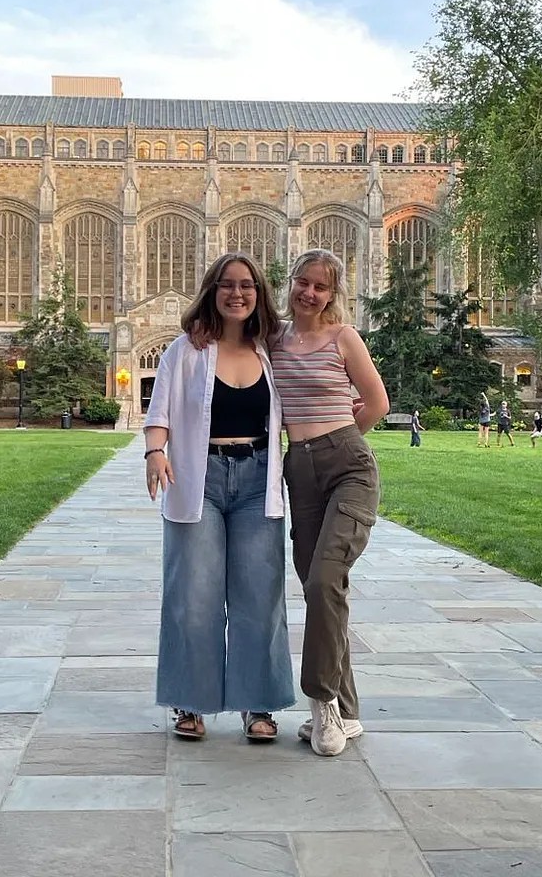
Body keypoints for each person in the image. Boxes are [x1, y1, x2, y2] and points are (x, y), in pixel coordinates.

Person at [143, 252, 294, 742]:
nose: (237, 293)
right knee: (194, 594)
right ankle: (190, 702)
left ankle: (258, 704)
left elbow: (308, 390)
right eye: (227, 284)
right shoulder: (185, 350)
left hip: (257, 481)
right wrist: (155, 452)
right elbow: (159, 409)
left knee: (260, 596)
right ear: (212, 291)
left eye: (247, 285)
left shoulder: (271, 350)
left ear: (259, 293)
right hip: (197, 479)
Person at [270, 249, 390, 757]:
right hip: (299, 472)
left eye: (321, 286)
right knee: (321, 589)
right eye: (304, 282)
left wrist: (338, 440)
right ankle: (350, 709)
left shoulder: (344, 338)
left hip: (348, 466)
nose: (310, 293)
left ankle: (322, 704)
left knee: (323, 580)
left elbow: (377, 403)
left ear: (332, 294)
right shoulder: (272, 339)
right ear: (291, 282)